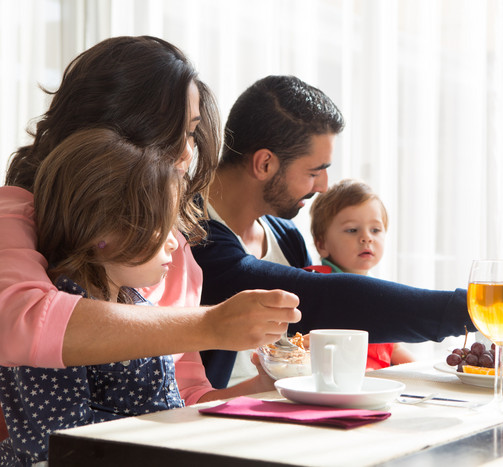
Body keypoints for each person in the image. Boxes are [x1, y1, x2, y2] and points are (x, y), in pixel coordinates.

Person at [193, 75, 503, 389]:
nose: (323, 187)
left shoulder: (285, 235)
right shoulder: (194, 238)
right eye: (315, 171)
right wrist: (478, 308)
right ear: (264, 164)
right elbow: (327, 300)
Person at [0, 37, 299, 380]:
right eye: (175, 132)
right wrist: (208, 324)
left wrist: (265, 386)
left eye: (191, 132)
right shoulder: (14, 212)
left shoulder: (173, 249)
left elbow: (183, 397)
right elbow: (18, 323)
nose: (188, 155)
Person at [2, 128, 198, 464]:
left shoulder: (138, 303)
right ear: (103, 234)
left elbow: (168, 406)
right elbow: (59, 443)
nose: (173, 242)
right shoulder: (60, 326)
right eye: (160, 226)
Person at [307, 179, 414, 369]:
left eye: (375, 229)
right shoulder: (315, 287)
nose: (367, 238)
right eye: (352, 230)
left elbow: (394, 349)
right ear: (321, 244)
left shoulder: (380, 291)